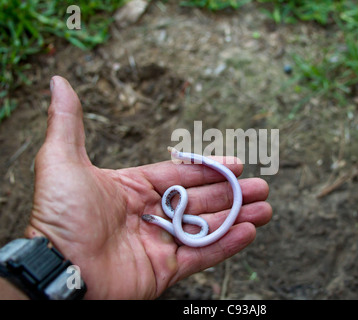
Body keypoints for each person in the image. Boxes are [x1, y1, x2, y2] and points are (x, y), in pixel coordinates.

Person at [0, 76, 272, 299]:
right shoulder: (174, 212)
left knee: (229, 191)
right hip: (178, 221)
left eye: (152, 219)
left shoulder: (173, 209)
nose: (153, 219)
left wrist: (56, 255)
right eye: (153, 219)